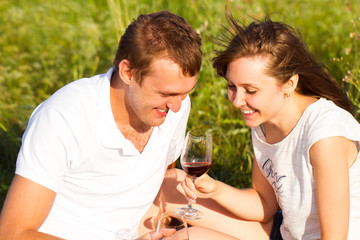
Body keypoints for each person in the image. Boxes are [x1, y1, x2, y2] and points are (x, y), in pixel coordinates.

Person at [0, 11, 202, 240]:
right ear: (128, 72)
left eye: (185, 94)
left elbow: (162, 172)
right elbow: (12, 234)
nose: (176, 106)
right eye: (166, 93)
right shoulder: (62, 117)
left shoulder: (174, 106)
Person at [171, 13, 360, 240]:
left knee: (187, 238)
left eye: (250, 90)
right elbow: (265, 203)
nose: (237, 100)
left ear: (289, 83)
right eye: (232, 86)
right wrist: (215, 189)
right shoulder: (263, 120)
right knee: (169, 185)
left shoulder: (325, 136)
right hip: (285, 233)